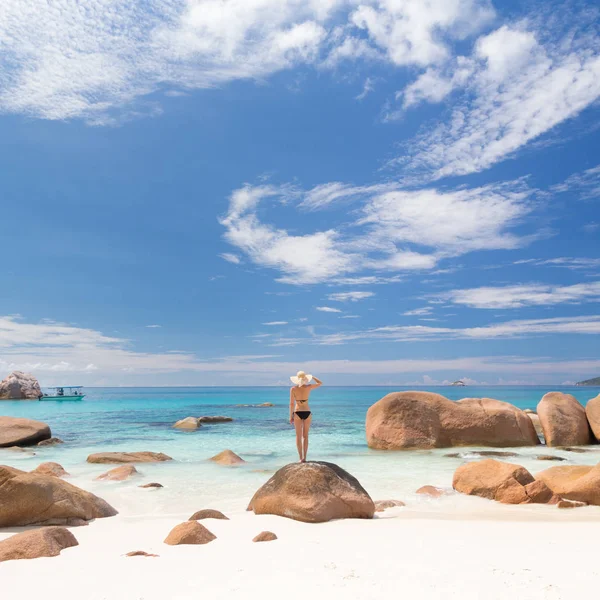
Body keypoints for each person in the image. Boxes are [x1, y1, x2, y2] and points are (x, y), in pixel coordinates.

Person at [289, 370, 322, 463]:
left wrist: (290, 416)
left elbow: (291, 404)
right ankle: (305, 458)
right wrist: (312, 377)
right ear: (305, 379)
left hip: (297, 412)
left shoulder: (293, 389)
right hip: (307, 412)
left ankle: (300, 458)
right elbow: (320, 383)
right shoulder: (309, 387)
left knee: (298, 436)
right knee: (305, 436)